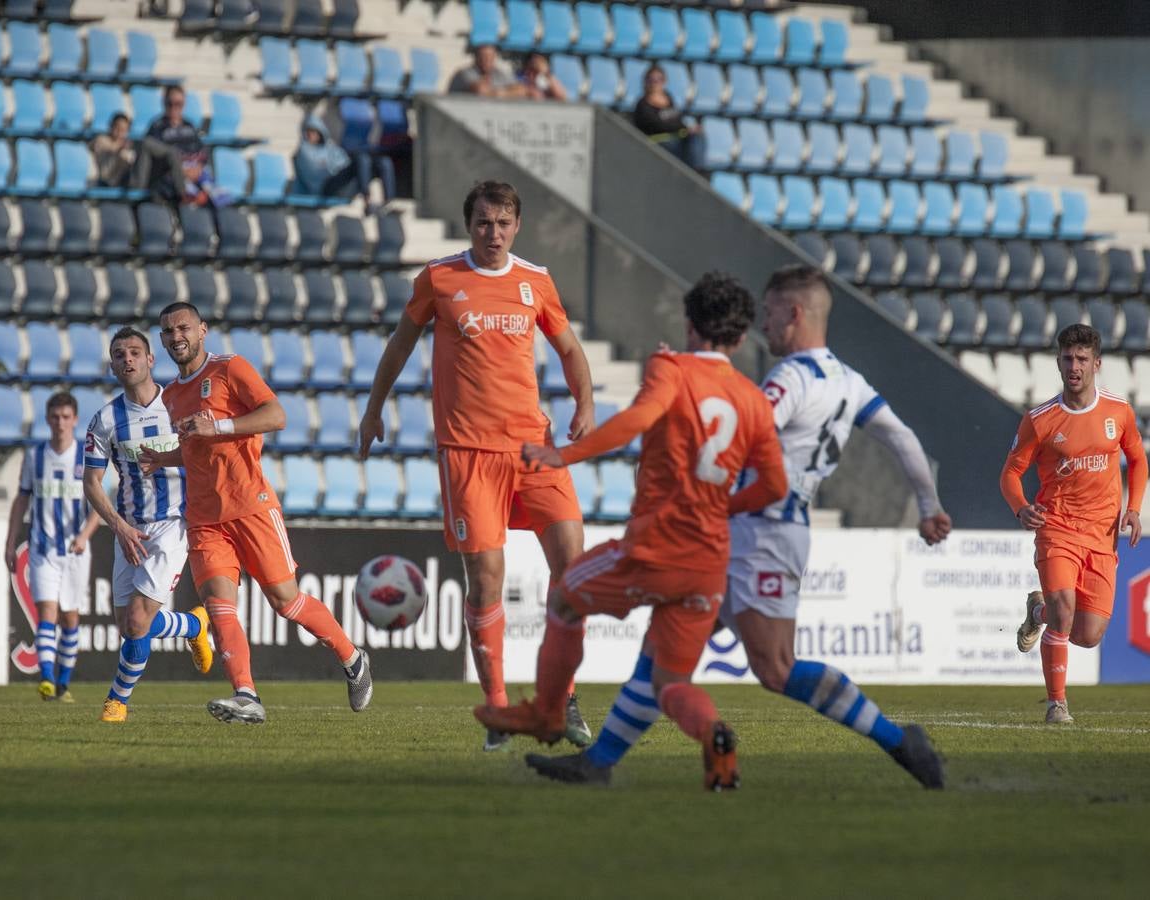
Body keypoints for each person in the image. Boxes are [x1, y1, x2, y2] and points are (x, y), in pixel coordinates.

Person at [532, 264, 949, 789]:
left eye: (771, 314)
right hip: (756, 529)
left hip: (759, 532)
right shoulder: (850, 381)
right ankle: (599, 762)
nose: (764, 327)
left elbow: (741, 430)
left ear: (794, 314)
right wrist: (929, 504)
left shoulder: (789, 378)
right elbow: (902, 437)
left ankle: (896, 740)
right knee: (662, 653)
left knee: (774, 667)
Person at [475, 273, 788, 791]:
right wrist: (720, 505)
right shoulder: (753, 399)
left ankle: (548, 715)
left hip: (656, 546)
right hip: (709, 561)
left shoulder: (671, 367)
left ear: (690, 325)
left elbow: (639, 419)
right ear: (739, 339)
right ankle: (713, 734)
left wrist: (564, 454)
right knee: (669, 684)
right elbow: (775, 484)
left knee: (567, 594)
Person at [358, 180, 597, 751]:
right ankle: (496, 710)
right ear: (471, 225)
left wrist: (585, 403)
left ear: (518, 225)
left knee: (576, 572)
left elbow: (569, 349)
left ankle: (561, 699)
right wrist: (373, 409)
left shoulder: (534, 281)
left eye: (504, 222)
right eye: (484, 222)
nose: (494, 233)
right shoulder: (440, 279)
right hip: (468, 454)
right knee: (486, 582)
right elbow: (400, 344)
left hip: (534, 450)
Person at [138, 302, 372, 724]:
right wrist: (164, 457)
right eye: (168, 331)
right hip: (206, 518)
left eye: (184, 327)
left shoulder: (230, 369)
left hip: (251, 506)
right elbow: (197, 453)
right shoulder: (170, 395)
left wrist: (220, 426)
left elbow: (276, 416)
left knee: (286, 601)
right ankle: (246, 694)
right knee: (218, 602)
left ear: (202, 330)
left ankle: (352, 658)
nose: (177, 337)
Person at [1004, 324, 1145, 724]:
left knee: (1088, 634)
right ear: (1058, 362)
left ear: (1096, 364)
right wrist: (1020, 508)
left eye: (1082, 359)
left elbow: (1137, 459)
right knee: (1065, 611)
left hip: (1102, 536)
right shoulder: (1040, 420)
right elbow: (1010, 474)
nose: (1075, 366)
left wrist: (1133, 508)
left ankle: (1038, 612)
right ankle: (1057, 705)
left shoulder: (1118, 412)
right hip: (1057, 528)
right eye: (1068, 358)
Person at [82, 328, 213, 724]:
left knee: (138, 620)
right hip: (130, 529)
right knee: (127, 625)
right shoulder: (105, 420)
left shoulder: (178, 407)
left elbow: (205, 460)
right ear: (112, 365)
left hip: (172, 524)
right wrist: (118, 526)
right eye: (120, 354)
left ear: (151, 360)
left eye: (136, 352)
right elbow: (91, 482)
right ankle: (193, 624)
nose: (128, 359)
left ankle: (116, 702)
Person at [5, 392, 102, 703]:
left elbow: (99, 505)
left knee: (70, 616)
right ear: (47, 420)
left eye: (66, 417)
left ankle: (62, 682)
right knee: (47, 611)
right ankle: (46, 678)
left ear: (74, 420)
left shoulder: (85, 458)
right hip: (43, 547)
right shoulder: (34, 456)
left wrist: (85, 535)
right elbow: (22, 499)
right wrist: (11, 542)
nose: (60, 423)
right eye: (55, 417)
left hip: (75, 550)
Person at [292, 115, 394, 210]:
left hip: (342, 182)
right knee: (361, 158)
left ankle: (389, 202)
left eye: (314, 132)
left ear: (320, 132)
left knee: (384, 162)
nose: (311, 135)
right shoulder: (304, 150)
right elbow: (315, 171)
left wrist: (331, 166)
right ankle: (367, 201)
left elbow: (343, 162)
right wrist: (332, 167)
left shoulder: (331, 148)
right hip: (325, 186)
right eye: (308, 132)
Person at [131, 86, 211, 205]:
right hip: (168, 179)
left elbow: (202, 152)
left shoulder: (190, 126)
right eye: (170, 103)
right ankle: (184, 195)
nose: (174, 107)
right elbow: (156, 158)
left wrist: (197, 168)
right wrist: (181, 170)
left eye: (178, 104)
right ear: (164, 103)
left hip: (192, 174)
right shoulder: (157, 127)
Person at [633, 64, 704, 170]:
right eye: (652, 79)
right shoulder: (642, 104)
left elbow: (677, 119)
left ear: (664, 81)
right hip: (657, 142)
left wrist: (688, 129)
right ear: (646, 81)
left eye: (659, 79)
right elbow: (657, 125)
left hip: (675, 138)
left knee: (697, 137)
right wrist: (683, 129)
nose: (655, 82)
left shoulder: (669, 98)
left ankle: (698, 171)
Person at [448, 45, 529, 98]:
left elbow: (521, 90)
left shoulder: (499, 73)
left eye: (490, 56)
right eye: (483, 56)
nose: (487, 60)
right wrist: (507, 92)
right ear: (476, 58)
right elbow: (480, 91)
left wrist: (500, 93)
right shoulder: (464, 73)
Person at [92, 113, 135, 188]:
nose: (119, 132)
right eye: (117, 128)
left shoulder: (128, 144)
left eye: (123, 130)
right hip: (104, 180)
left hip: (122, 180)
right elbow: (109, 148)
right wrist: (121, 148)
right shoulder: (101, 139)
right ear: (111, 126)